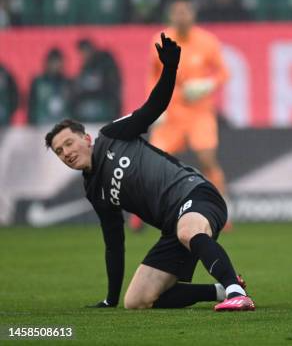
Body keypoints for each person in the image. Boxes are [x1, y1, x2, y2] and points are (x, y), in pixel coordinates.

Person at [45, 33, 254, 311]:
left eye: (68, 143)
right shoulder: (94, 191)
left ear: (86, 139)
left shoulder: (112, 136)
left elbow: (154, 107)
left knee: (188, 229)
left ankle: (236, 292)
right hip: (172, 227)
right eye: (60, 151)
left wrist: (169, 69)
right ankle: (219, 289)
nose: (66, 152)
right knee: (138, 300)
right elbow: (114, 244)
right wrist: (111, 298)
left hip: (196, 195)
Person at [148, 0, 229, 197]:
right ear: (170, 16)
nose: (181, 17)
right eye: (177, 12)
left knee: (207, 158)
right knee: (154, 162)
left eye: (185, 12)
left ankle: (222, 207)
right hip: (172, 112)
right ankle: (141, 213)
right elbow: (153, 76)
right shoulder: (160, 41)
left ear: (193, 15)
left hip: (199, 112)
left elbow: (224, 73)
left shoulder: (207, 41)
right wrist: (155, 108)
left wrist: (207, 84)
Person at [72, 38, 122, 123]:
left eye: (85, 51)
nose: (83, 55)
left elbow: (111, 88)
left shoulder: (105, 63)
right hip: (89, 116)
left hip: (106, 113)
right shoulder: (85, 68)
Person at [28, 48, 72, 125]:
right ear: (47, 63)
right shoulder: (38, 82)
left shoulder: (68, 83)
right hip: (41, 124)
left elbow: (73, 104)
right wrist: (32, 122)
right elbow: (31, 104)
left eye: (58, 62)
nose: (55, 65)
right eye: (53, 62)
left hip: (63, 124)